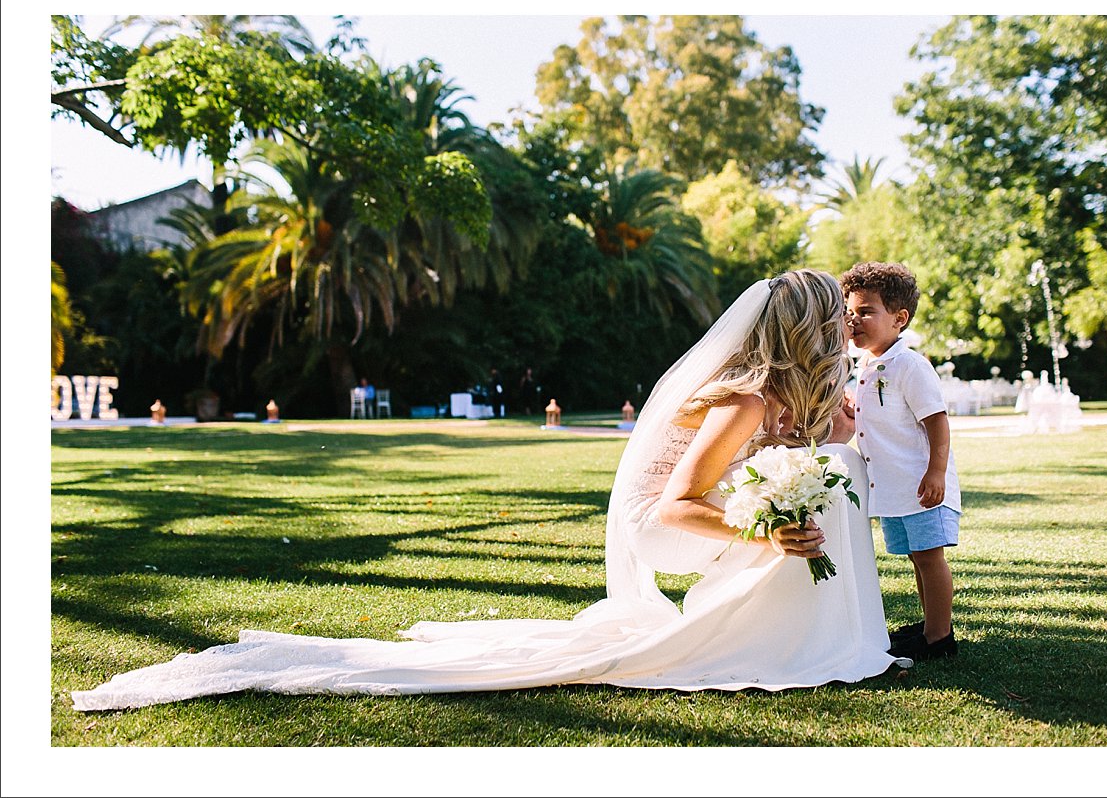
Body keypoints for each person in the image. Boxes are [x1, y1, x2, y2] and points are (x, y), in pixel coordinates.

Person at [72, 270, 905, 712]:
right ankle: (786, 638)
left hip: (692, 511)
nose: (844, 328)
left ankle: (814, 632)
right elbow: (675, 509)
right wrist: (769, 531)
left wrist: (799, 465)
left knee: (819, 489)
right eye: (834, 317)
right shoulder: (746, 396)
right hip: (668, 527)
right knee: (808, 505)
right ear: (802, 329)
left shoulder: (775, 393)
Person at [840, 262, 962, 661]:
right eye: (850, 312)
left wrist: (937, 472)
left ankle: (940, 638)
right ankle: (930, 626)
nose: (854, 320)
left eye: (866, 311)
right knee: (917, 557)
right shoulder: (866, 366)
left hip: (922, 484)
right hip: (894, 488)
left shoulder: (909, 365)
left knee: (930, 557)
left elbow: (936, 422)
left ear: (899, 318)